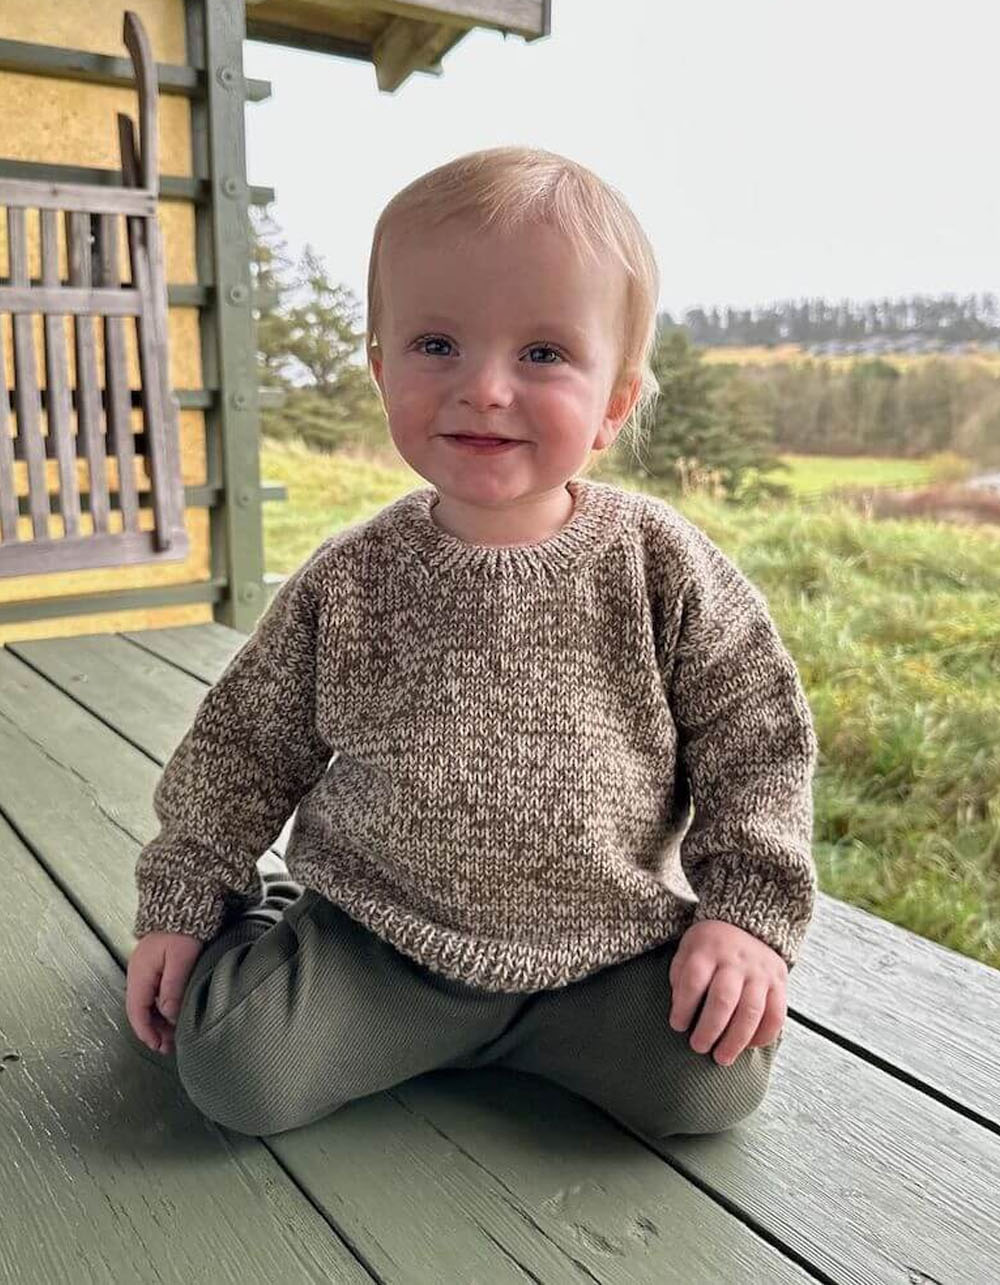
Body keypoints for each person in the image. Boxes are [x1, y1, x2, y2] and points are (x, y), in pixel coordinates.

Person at [125, 146, 819, 1143]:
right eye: (437, 344)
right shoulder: (351, 577)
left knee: (709, 1082)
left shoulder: (659, 564)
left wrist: (744, 913)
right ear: (381, 369)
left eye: (542, 354)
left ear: (616, 401)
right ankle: (270, 921)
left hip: (600, 951)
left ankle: (530, 1036)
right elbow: (243, 745)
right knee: (236, 1068)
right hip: (379, 946)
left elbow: (757, 739)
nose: (485, 387)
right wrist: (186, 896)